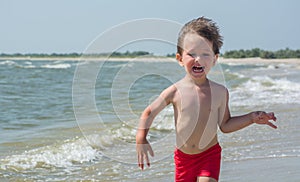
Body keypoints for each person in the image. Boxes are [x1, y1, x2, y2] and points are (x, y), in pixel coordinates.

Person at [135, 17, 277, 182]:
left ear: (214, 59)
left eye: (205, 54)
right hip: (183, 159)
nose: (198, 59)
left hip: (209, 155)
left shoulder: (220, 92)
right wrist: (141, 139)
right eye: (192, 53)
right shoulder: (174, 92)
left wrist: (251, 118)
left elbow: (225, 125)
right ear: (180, 59)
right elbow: (149, 112)